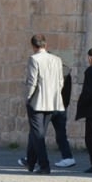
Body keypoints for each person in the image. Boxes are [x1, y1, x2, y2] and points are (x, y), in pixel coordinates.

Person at [18, 34, 65, 174]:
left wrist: (27, 97)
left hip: (37, 102)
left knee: (38, 135)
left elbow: (32, 82)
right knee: (37, 132)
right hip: (53, 101)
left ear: (33, 46)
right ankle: (31, 162)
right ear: (46, 45)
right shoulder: (57, 59)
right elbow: (61, 81)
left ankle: (44, 165)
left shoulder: (34, 59)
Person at [50, 69, 76, 168]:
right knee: (61, 134)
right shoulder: (66, 73)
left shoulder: (51, 72)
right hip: (61, 107)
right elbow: (67, 92)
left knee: (38, 132)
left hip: (50, 106)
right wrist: (64, 105)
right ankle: (67, 157)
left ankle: (31, 158)